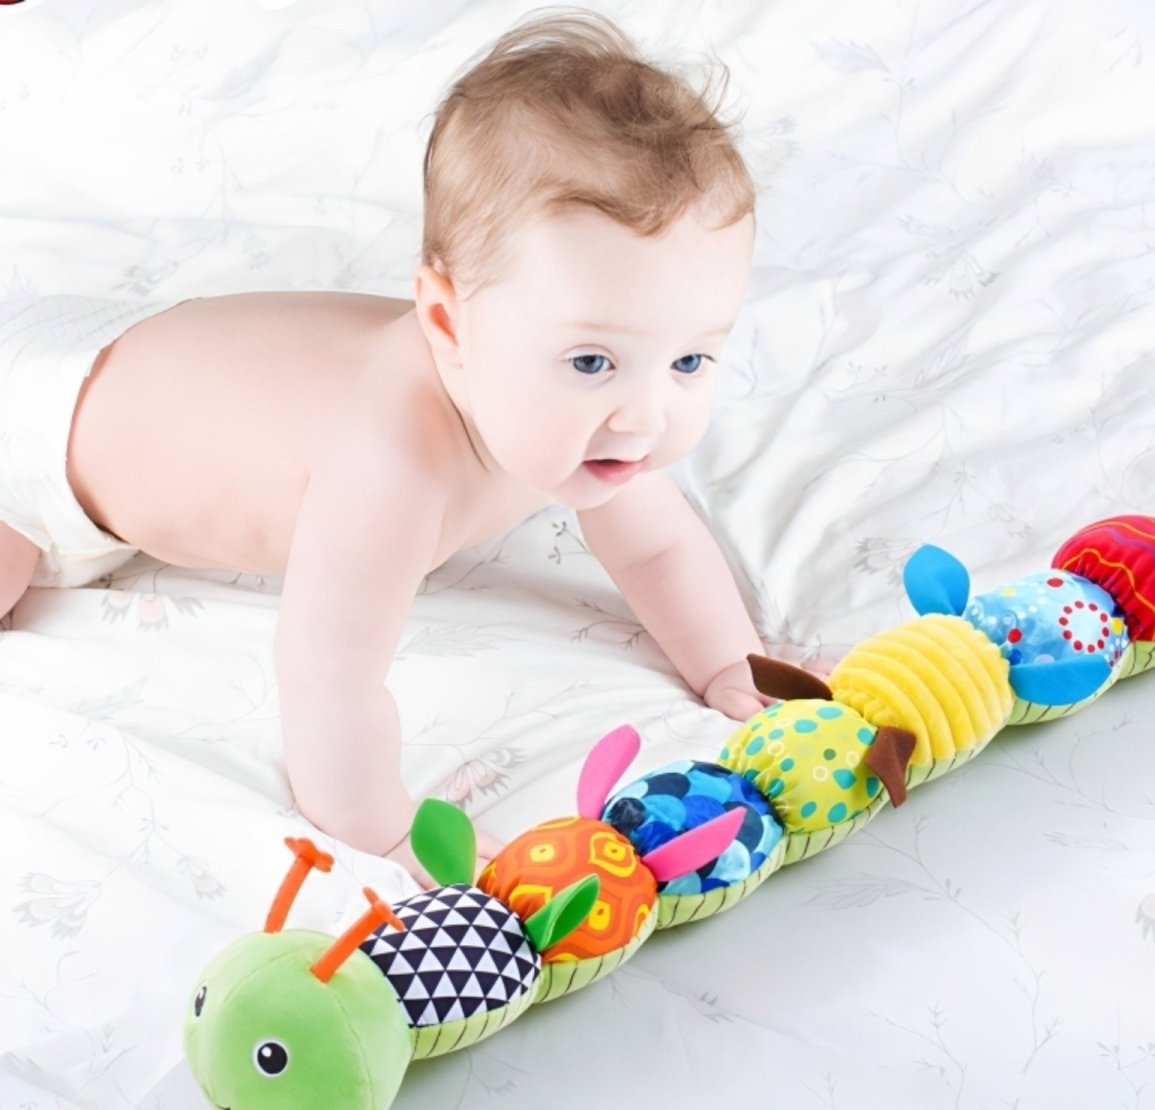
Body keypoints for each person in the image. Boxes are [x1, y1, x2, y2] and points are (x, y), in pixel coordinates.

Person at [0, 9, 770, 885]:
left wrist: (729, 664)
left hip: (130, 351)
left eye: (689, 360)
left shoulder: (597, 423)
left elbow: (660, 544)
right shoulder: (391, 467)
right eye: (591, 360)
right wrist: (383, 826)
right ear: (448, 322)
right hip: (36, 439)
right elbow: (327, 669)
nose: (646, 414)